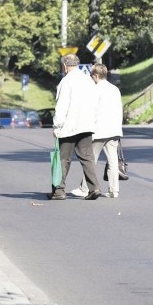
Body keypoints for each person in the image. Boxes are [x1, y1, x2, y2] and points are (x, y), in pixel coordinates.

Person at [50, 54, 102, 200]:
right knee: (87, 158)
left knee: (63, 159)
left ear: (65, 66)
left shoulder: (66, 81)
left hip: (69, 126)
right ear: (77, 64)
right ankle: (94, 188)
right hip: (86, 125)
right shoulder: (88, 80)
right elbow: (96, 103)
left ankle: (59, 191)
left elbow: (62, 105)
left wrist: (57, 126)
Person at [71, 63, 123, 198]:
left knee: (90, 160)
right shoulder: (115, 89)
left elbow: (91, 110)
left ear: (96, 75)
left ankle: (84, 188)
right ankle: (114, 190)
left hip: (99, 130)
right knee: (113, 161)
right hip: (114, 129)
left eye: (91, 76)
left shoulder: (95, 90)